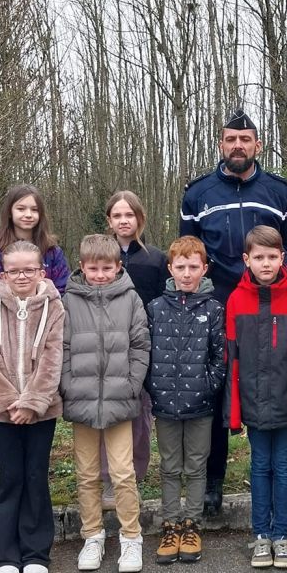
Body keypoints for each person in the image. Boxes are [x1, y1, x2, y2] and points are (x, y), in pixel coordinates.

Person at [180, 108, 287, 516]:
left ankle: (275, 468)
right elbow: (189, 249)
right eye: (231, 139)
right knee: (218, 386)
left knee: (270, 379)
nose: (238, 146)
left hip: (268, 303)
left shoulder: (279, 192)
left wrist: (272, 283)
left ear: (257, 145)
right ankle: (213, 480)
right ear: (221, 144)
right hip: (216, 302)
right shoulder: (198, 194)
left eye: (245, 139)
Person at [225, 226, 287, 569]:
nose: (266, 263)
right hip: (253, 401)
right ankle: (261, 535)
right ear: (246, 259)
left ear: (283, 258)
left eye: (272, 257)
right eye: (259, 257)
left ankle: (282, 536)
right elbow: (232, 359)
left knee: (284, 466)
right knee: (260, 466)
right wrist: (234, 411)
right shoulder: (236, 299)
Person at [60, 234, 151, 573]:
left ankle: (131, 538)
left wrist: (132, 384)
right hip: (81, 399)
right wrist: (67, 384)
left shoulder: (131, 298)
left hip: (120, 399)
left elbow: (141, 345)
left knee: (123, 473)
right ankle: (92, 536)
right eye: (93, 268)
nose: (100, 275)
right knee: (86, 474)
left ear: (118, 267)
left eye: (107, 268)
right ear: (82, 267)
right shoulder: (69, 300)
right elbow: (61, 347)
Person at [0, 241, 66, 573]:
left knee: (35, 475)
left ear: (41, 272)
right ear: (3, 274)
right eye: (14, 271)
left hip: (42, 410)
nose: (22, 276)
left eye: (29, 269)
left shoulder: (55, 307)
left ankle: (36, 554)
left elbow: (53, 359)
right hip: (3, 410)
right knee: (11, 477)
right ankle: (5, 554)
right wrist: (9, 402)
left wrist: (32, 403)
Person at [144, 236, 226, 565]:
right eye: (181, 267)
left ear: (204, 269)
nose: (187, 273)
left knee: (195, 466)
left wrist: (208, 386)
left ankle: (191, 525)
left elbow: (220, 357)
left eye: (193, 267)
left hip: (200, 404)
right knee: (169, 466)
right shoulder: (155, 308)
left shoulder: (213, 308)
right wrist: (153, 387)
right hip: (164, 403)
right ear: (170, 269)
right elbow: (146, 353)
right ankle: (170, 525)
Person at [100, 191, 167, 508]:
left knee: (140, 417)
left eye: (129, 215)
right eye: (117, 215)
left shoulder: (155, 259)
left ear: (140, 219)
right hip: (106, 348)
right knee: (108, 417)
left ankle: (133, 479)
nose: (124, 221)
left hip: (142, 349)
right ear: (109, 221)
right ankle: (108, 481)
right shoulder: (100, 258)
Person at [0, 184, 71, 294]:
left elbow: (63, 288)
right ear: (10, 212)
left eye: (34, 210)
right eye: (21, 209)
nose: (28, 214)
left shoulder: (52, 251)